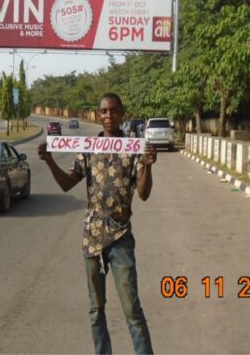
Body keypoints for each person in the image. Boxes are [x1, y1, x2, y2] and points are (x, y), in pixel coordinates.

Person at [37, 93, 157, 355]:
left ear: (122, 114)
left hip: (120, 237)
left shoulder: (134, 148)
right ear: (98, 115)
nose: (109, 116)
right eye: (104, 111)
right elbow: (69, 182)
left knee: (132, 310)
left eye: (114, 111)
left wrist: (148, 166)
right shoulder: (89, 147)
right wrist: (49, 161)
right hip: (92, 238)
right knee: (95, 309)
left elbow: (144, 193)